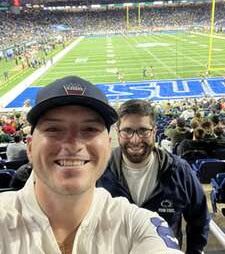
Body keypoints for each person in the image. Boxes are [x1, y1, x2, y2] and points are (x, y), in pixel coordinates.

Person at [0, 76, 183, 254]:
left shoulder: (137, 225)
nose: (73, 144)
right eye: (53, 129)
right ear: (30, 147)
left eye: (90, 129)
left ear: (108, 146)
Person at [97, 99, 210, 254]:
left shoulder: (179, 171)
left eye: (143, 131)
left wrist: (194, 251)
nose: (135, 139)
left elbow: (200, 219)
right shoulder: (99, 171)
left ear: (154, 131)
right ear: (118, 132)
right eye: (127, 131)